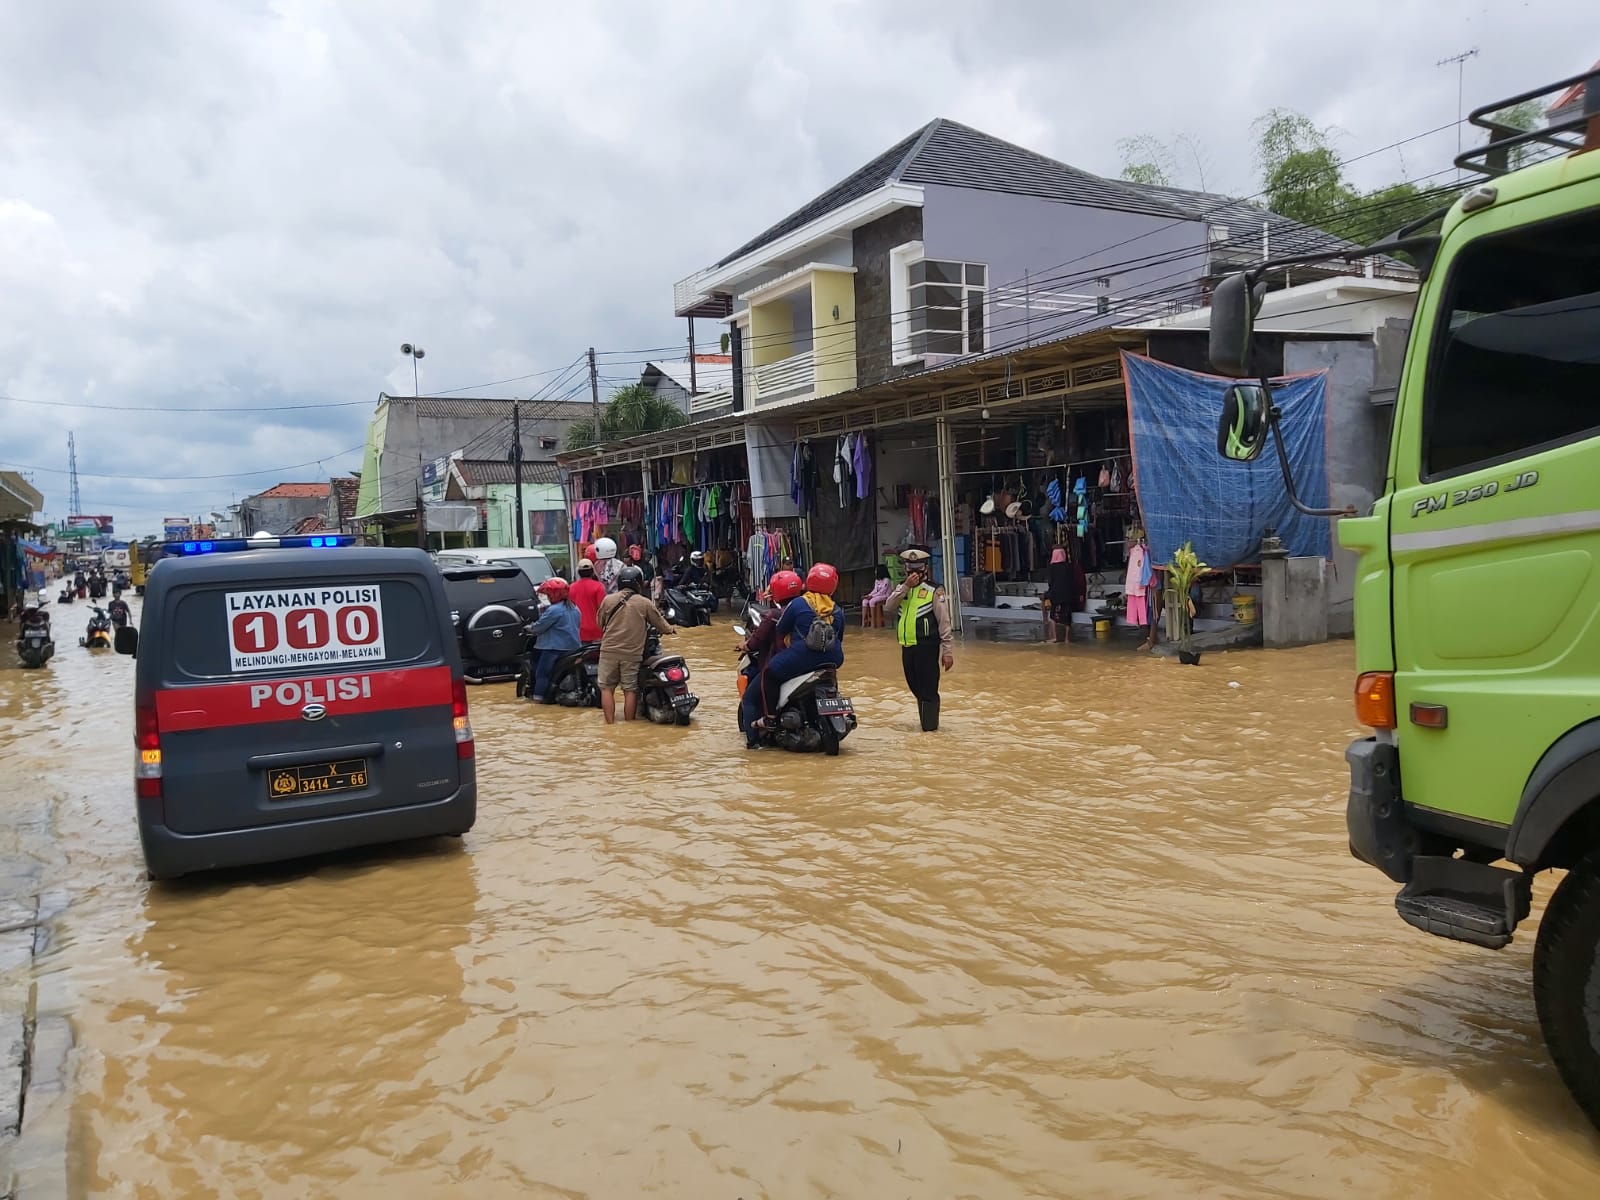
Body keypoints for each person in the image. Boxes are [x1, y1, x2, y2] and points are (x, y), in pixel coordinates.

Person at [745, 563, 845, 749]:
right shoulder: (837, 610)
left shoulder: (799, 604)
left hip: (802, 657)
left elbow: (782, 630)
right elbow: (839, 637)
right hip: (834, 658)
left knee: (769, 672)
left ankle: (770, 719)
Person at [884, 545, 954, 732]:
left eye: (917, 570)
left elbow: (944, 622)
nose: (913, 574)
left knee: (929, 691)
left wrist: (947, 651)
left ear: (925, 569)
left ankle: (930, 731)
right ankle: (926, 726)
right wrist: (906, 586)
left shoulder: (934, 590)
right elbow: (888, 607)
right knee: (916, 688)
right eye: (910, 570)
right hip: (907, 646)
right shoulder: (901, 589)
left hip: (927, 647)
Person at [596, 565, 675, 724]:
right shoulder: (644, 603)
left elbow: (600, 623)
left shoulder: (608, 600)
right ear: (638, 584)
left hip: (608, 652)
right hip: (632, 654)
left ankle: (610, 725)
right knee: (630, 689)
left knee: (606, 688)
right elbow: (660, 623)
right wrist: (670, 630)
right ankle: (629, 724)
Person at [526, 578, 581, 702]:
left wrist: (530, 628)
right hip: (574, 648)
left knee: (542, 675)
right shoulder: (574, 607)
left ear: (554, 594)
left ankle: (537, 699)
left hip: (552, 649)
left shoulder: (553, 610)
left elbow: (539, 627)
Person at [1044, 546, 1083, 644]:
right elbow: (1073, 581)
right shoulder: (1069, 567)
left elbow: (1051, 582)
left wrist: (1048, 594)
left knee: (1053, 617)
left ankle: (1054, 637)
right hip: (1069, 595)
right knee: (1067, 617)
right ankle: (1067, 639)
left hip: (1056, 595)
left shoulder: (1051, 568)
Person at [1125, 530, 1156, 651]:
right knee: (1140, 614)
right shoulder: (1134, 551)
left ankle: (1148, 638)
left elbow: (1145, 570)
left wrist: (1145, 582)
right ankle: (1146, 638)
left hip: (1142, 587)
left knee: (1146, 613)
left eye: (1128, 539)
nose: (1127, 541)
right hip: (1135, 587)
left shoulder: (1142, 551)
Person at [569, 558, 606, 643]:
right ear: (592, 571)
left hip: (578, 631)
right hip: (596, 631)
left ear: (578, 572)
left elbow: (569, 609)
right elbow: (603, 609)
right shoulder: (599, 586)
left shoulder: (572, 587)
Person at [861, 564, 894, 628]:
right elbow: (875, 590)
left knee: (872, 601)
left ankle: (873, 621)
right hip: (877, 595)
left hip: (885, 596)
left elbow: (883, 591)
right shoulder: (877, 580)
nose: (875, 572)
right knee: (864, 601)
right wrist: (869, 595)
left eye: (876, 570)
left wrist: (872, 597)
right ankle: (864, 621)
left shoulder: (886, 580)